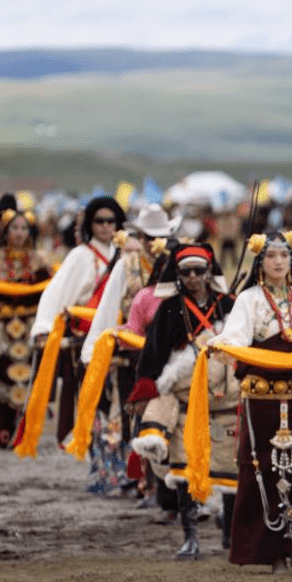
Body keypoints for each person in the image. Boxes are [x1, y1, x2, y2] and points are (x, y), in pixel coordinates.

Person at [208, 231, 292, 573]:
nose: (277, 262)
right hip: (261, 398)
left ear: (291, 261)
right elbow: (236, 339)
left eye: (283, 256)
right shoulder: (250, 300)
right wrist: (220, 344)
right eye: (271, 256)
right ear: (261, 262)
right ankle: (270, 549)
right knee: (263, 469)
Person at [127, 242, 236, 560]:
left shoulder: (228, 305)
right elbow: (154, 354)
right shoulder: (170, 309)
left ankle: (229, 535)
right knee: (185, 469)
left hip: (224, 400)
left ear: (208, 272)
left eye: (199, 271)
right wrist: (144, 389)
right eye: (185, 271)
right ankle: (191, 538)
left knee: (227, 466)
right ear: (177, 274)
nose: (192, 277)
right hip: (184, 400)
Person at [78, 205, 180, 494]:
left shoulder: (179, 262)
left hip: (171, 356)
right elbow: (108, 306)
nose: (153, 243)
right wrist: (94, 351)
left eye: (159, 237)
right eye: (148, 237)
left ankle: (165, 484)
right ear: (140, 236)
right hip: (131, 353)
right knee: (128, 416)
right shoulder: (127, 263)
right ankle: (134, 479)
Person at [30, 196, 125, 445]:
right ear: (89, 225)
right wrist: (44, 327)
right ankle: (93, 447)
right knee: (92, 397)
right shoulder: (80, 256)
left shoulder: (125, 256)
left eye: (111, 221)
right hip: (86, 339)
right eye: (99, 221)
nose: (106, 226)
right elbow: (55, 294)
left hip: (121, 336)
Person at [0, 210, 52, 447]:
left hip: (28, 325)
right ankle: (0, 431)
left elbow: (48, 290)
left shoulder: (38, 258)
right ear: (5, 232)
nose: (19, 233)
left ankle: (24, 433)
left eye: (23, 228)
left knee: (27, 377)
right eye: (14, 228)